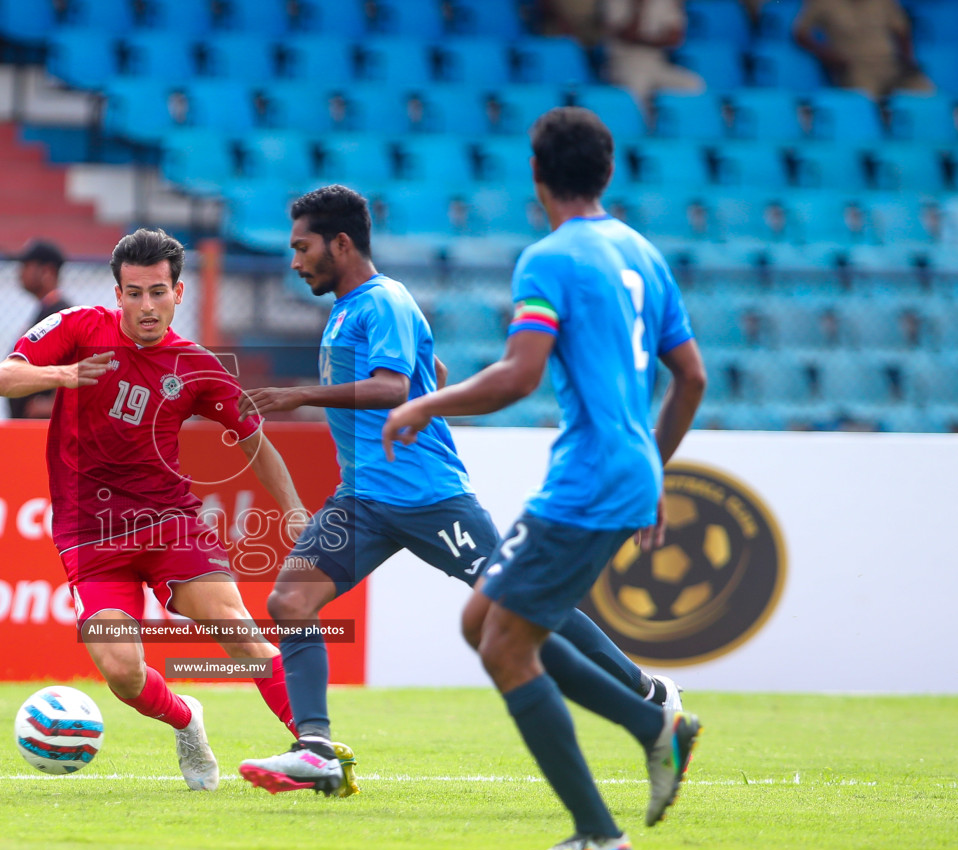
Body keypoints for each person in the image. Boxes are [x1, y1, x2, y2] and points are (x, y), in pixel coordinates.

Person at [235, 184, 683, 803]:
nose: (294, 260)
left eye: (302, 247)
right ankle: (315, 748)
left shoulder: (382, 300)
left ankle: (647, 693)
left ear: (341, 243)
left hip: (428, 498)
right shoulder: (351, 307)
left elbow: (396, 389)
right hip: (362, 498)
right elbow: (433, 373)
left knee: (520, 608)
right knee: (290, 600)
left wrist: (300, 396)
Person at [382, 108, 708, 850]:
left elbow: (519, 376)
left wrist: (427, 401)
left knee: (502, 646)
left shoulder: (549, 259)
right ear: (608, 171)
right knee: (483, 624)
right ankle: (651, 726)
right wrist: (653, 465)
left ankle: (599, 831)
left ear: (537, 178)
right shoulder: (641, 253)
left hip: (588, 478)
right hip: (625, 470)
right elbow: (689, 376)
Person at [0, 228, 308, 791]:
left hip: (168, 521)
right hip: (88, 532)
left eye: (157, 292)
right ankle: (186, 719)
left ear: (178, 293)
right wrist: (61, 374)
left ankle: (312, 743)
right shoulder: (79, 327)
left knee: (236, 628)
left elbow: (256, 441)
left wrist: (297, 512)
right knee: (122, 672)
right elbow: (0, 379)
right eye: (133, 293)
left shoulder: (198, 366)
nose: (146, 306)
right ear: (117, 294)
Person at [793, 0, 933, 99]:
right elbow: (800, 33)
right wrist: (827, 55)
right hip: (855, 66)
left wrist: (907, 59)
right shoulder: (822, 2)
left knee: (928, 97)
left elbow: (902, 30)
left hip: (892, 63)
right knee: (866, 103)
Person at [9, 239, 73, 419]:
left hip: (44, 427)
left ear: (47, 271)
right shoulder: (46, 310)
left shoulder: (61, 313)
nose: (20, 273)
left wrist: (53, 404)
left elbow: (76, 359)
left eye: (27, 266)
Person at [599, 0, 705, 105]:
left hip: (657, 65)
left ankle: (677, 121)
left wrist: (643, 38)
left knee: (694, 85)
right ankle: (642, 122)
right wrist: (639, 6)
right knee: (637, 89)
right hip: (622, 65)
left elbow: (675, 38)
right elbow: (628, 34)